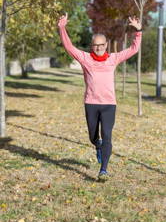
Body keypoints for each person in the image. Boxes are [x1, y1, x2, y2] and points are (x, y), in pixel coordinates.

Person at [58, 13, 142, 181]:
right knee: (93, 136)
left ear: (106, 45)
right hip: (91, 103)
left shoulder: (113, 58)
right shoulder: (85, 58)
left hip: (109, 104)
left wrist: (138, 31)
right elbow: (69, 47)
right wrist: (62, 28)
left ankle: (103, 170)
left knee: (108, 135)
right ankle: (97, 145)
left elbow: (134, 49)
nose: (99, 48)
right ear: (92, 46)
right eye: (96, 45)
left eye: (101, 45)